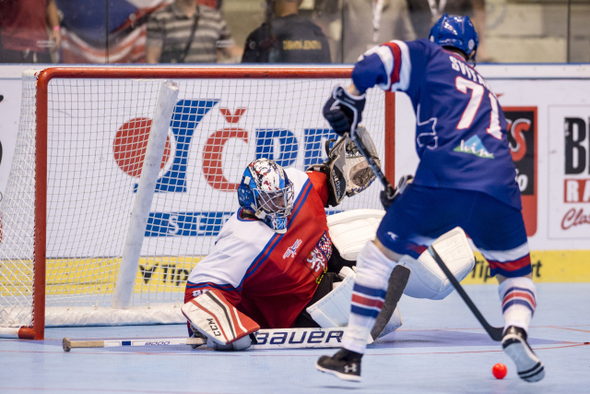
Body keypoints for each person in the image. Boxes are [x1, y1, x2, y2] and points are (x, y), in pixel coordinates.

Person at [315, 14, 544, 383]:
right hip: (500, 189)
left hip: (442, 182)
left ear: (435, 40)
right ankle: (516, 330)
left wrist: (351, 98)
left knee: (377, 258)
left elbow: (374, 60)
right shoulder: (485, 89)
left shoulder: (429, 56)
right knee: (516, 276)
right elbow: (477, 155)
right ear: (472, 51)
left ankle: (351, 353)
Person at [181, 133, 405, 351]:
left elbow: (325, 182)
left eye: (283, 195)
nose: (283, 204)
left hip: (315, 271)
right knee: (383, 315)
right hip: (294, 311)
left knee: (377, 243)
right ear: (249, 198)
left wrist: (342, 171)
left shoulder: (298, 184)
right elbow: (200, 286)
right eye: (273, 199)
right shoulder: (242, 240)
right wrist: (207, 328)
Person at [313, 0, 416, 63]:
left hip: (386, 65)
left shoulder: (397, 2)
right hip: (351, 64)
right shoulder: (349, 1)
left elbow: (407, 35)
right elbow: (327, 15)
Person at [145, 0, 242, 64]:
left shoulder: (214, 16)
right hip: (175, 86)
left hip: (209, 85)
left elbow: (230, 48)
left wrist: (253, 54)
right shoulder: (159, 18)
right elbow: (152, 59)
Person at [241, 0, 331, 64]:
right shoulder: (317, 35)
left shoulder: (260, 37)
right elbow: (329, 81)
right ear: (301, 1)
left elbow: (245, 82)